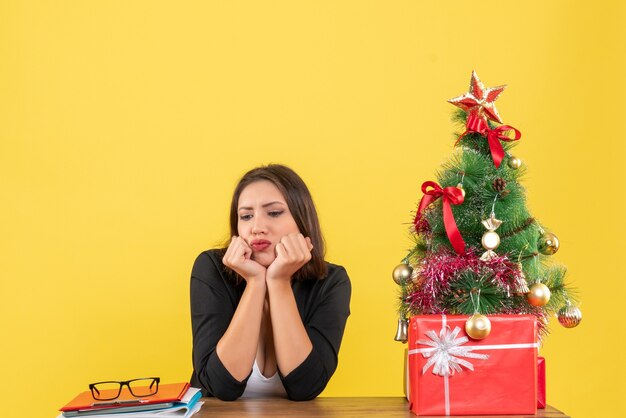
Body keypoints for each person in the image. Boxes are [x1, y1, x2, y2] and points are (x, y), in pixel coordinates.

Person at [189, 164, 351, 401]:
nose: (257, 228)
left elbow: (306, 386)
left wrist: (279, 281)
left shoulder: (332, 281)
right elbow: (220, 386)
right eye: (246, 216)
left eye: (274, 213)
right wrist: (255, 282)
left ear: (301, 220)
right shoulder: (211, 268)